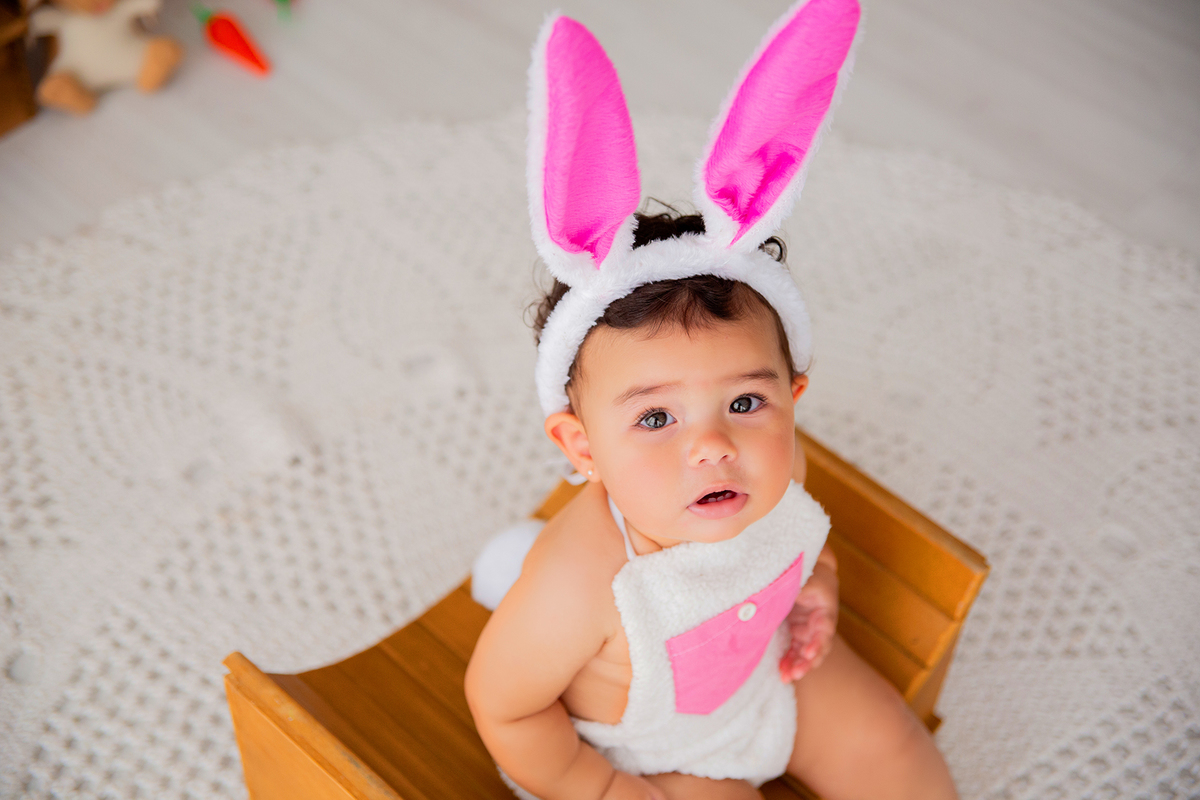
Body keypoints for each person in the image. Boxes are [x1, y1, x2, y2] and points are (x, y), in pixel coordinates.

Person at [465, 4, 958, 798]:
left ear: (793, 398)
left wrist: (819, 589)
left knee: (892, 752)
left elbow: (796, 549)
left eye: (744, 404)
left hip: (765, 676)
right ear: (583, 446)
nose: (712, 446)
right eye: (655, 417)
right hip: (654, 755)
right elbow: (504, 706)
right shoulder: (583, 575)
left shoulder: (774, 465)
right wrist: (603, 790)